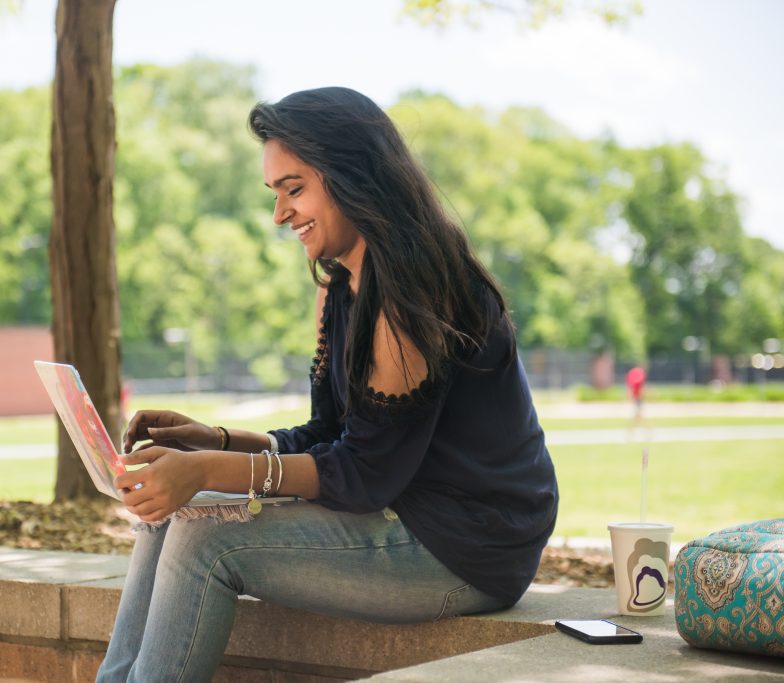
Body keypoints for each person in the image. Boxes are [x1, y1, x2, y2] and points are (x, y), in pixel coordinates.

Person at [96, 87, 559, 682]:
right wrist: (213, 442)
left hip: (466, 551)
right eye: (275, 194)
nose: (279, 214)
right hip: (403, 514)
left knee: (205, 542)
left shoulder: (413, 297)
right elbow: (328, 435)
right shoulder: (341, 284)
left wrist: (209, 471)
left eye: (294, 188)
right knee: (171, 514)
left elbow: (363, 476)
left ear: (353, 175)